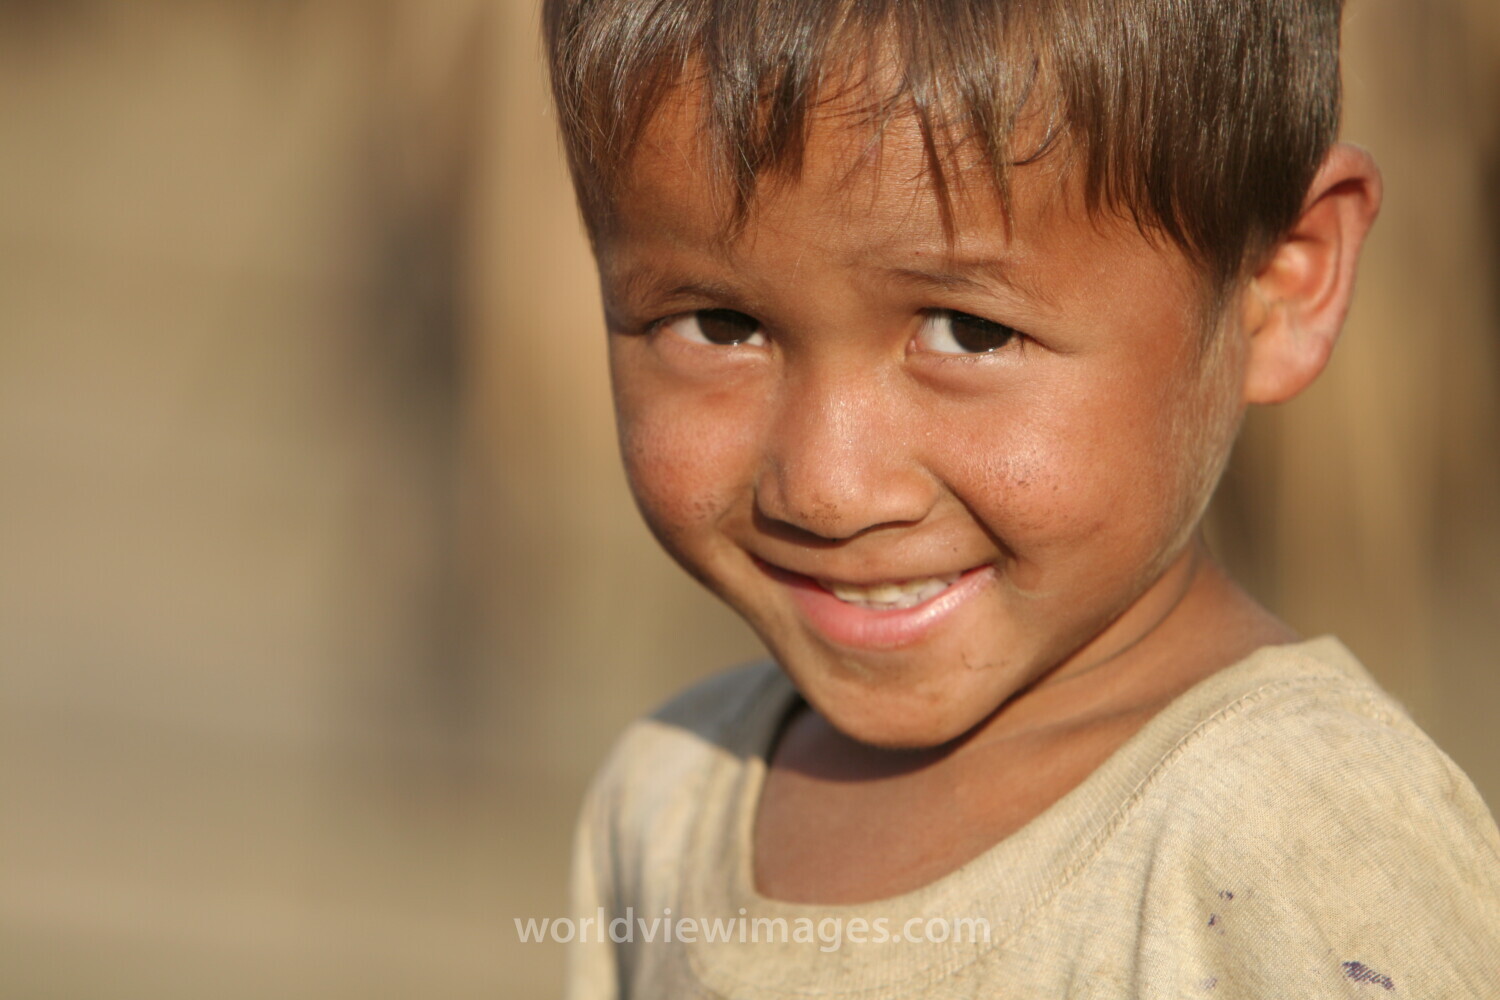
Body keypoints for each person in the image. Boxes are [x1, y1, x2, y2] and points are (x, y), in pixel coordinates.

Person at [542, 0, 1500, 995]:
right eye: (718, 324)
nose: (826, 488)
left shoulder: (1291, 835)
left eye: (970, 332)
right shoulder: (670, 794)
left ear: (1277, 284)